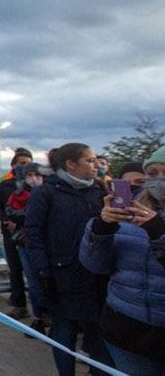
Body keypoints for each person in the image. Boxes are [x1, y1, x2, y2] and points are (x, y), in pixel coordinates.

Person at [24, 143, 114, 376]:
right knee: (64, 334)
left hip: (97, 279)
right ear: (71, 165)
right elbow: (33, 235)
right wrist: (43, 272)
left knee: (99, 338)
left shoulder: (100, 191)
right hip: (62, 277)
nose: (97, 165)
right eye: (90, 160)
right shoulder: (45, 193)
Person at [78, 147, 165, 375]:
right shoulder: (129, 211)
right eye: (153, 173)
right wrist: (101, 228)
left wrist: (159, 232)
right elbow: (95, 265)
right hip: (128, 328)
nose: (159, 180)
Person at [4, 163, 48, 334]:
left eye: (37, 175)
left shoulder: (50, 193)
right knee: (34, 282)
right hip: (25, 242)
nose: (33, 178)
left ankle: (50, 315)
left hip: (47, 243)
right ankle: (38, 317)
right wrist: (31, 215)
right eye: (29, 175)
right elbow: (11, 211)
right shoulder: (18, 194)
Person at [0, 147, 33, 319]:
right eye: (22, 163)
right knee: (15, 269)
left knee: (32, 271)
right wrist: (5, 220)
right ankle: (19, 305)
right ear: (14, 165)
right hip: (10, 233)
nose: (25, 166)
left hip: (29, 233)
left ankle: (40, 308)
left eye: (28, 163)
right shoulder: (5, 185)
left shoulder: (34, 184)